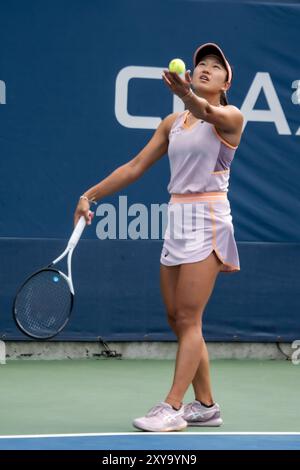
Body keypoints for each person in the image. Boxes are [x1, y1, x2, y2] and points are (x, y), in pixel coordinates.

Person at [74, 43, 244, 432]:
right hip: (177, 218)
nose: (205, 68)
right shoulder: (173, 125)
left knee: (189, 316)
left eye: (215, 67)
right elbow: (134, 166)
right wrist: (89, 196)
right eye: (201, 63)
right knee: (176, 318)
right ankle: (206, 405)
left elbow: (206, 110)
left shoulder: (230, 117)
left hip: (210, 219)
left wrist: (186, 94)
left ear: (225, 81)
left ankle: (172, 407)